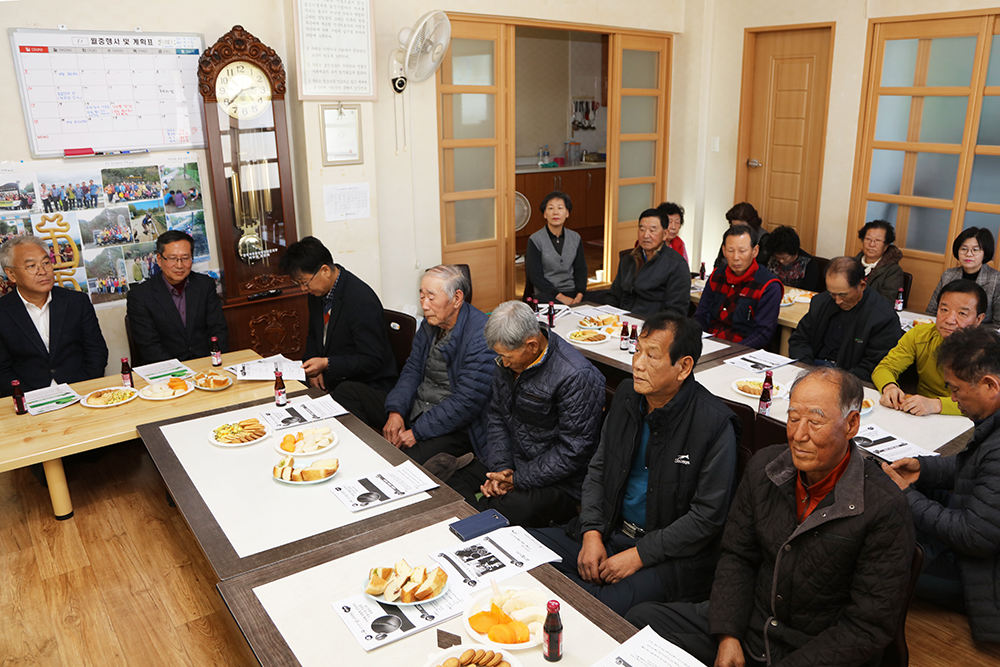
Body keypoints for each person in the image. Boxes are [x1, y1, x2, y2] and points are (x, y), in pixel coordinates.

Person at [627, 367, 915, 667]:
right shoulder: (766, 468)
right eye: (793, 418)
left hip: (812, 649)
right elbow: (738, 555)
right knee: (640, 623)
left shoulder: (885, 508)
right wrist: (728, 636)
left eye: (815, 421)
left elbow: (866, 627)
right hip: (751, 627)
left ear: (851, 424)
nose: (799, 435)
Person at [531, 313, 740, 616]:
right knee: (523, 549)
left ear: (684, 367)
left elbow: (706, 518)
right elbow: (599, 468)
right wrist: (591, 533)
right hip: (609, 532)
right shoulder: (628, 396)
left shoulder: (714, 424)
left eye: (652, 355)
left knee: (594, 608)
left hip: (666, 557)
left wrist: (639, 555)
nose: (638, 363)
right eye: (638, 350)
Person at [881, 326, 1000, 643]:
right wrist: (922, 468)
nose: (952, 398)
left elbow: (975, 537)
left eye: (957, 390)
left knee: (880, 550)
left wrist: (907, 495)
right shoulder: (992, 421)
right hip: (980, 538)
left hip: (984, 578)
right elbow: (971, 466)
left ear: (990, 385)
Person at [446, 301, 605, 527]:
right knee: (450, 477)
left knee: (508, 508)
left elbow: (573, 451)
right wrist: (500, 469)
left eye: (507, 356)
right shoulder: (509, 363)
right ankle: (473, 519)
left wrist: (517, 480)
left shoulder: (576, 376)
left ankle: (471, 525)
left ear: (531, 345)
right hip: (514, 462)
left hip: (560, 481)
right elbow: (498, 416)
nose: (503, 362)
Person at [333, 265, 494, 465]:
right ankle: (364, 455)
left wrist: (417, 432)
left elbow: (465, 402)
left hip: (456, 426)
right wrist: (396, 412)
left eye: (431, 297)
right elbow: (412, 371)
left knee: (405, 464)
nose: (424, 305)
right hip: (418, 409)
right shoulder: (430, 324)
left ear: (457, 298)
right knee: (347, 392)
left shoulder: (480, 336)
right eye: (421, 295)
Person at [279, 236, 396, 394]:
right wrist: (314, 369)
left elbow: (371, 360)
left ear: (325, 271)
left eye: (304, 282)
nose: (302, 288)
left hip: (366, 385)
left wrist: (327, 364)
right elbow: (314, 335)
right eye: (298, 283)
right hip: (334, 378)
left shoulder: (361, 301)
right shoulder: (316, 293)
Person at [0, 235, 108, 396]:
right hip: (28, 398)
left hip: (81, 391)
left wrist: (82, 389)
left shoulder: (76, 302)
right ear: (11, 274)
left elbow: (97, 352)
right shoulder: (3, 312)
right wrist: (33, 398)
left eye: (46, 263)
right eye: (31, 266)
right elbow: (2, 370)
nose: (42, 271)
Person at [873, 279, 987, 416]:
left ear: (978, 319)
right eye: (944, 310)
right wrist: (889, 387)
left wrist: (936, 404)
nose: (950, 320)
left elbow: (984, 402)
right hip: (920, 414)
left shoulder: (986, 351)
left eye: (962, 313)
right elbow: (885, 367)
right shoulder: (920, 335)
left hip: (966, 419)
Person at [788, 256, 901, 382]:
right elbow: (799, 339)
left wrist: (837, 381)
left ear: (862, 286)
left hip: (850, 378)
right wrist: (807, 371)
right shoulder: (821, 302)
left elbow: (874, 365)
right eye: (832, 293)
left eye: (843, 295)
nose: (837, 301)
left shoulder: (882, 317)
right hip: (813, 368)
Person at [126, 230, 228, 363]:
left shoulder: (205, 285)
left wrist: (211, 365)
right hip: (166, 371)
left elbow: (218, 330)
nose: (179, 265)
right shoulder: (140, 296)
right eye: (173, 258)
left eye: (185, 258)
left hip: (206, 365)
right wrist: (180, 373)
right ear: (159, 260)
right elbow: (150, 347)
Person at [694, 225, 783, 348]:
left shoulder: (769, 285)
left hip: (743, 350)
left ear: (755, 251)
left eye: (742, 251)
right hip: (709, 343)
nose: (736, 257)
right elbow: (701, 316)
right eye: (731, 251)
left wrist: (732, 352)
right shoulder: (716, 276)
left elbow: (762, 334)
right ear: (724, 251)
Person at [599, 208, 691, 316]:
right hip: (621, 321)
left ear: (665, 234)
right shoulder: (628, 259)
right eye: (642, 229)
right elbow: (613, 296)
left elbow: (676, 311)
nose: (646, 235)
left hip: (651, 323)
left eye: (652, 230)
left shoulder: (676, 265)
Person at [926, 227, 1000, 328]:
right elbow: (932, 311)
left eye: (975, 250)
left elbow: (998, 324)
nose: (968, 254)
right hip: (946, 330)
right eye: (964, 249)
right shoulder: (948, 275)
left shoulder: (996, 280)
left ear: (985, 253)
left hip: (980, 337)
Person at [524, 191, 587, 305]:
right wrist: (561, 297)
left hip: (572, 291)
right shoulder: (535, 239)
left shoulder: (575, 237)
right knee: (544, 300)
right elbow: (535, 276)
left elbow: (581, 270)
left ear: (567, 213)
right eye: (551, 208)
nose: (555, 212)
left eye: (560, 208)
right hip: (548, 294)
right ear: (544, 214)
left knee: (606, 295)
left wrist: (579, 296)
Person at [855, 219, 904, 304]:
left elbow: (886, 301)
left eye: (877, 240)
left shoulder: (893, 271)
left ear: (886, 246)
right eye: (868, 239)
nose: (871, 244)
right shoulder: (850, 264)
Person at [765, 225, 821, 292]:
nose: (780, 261)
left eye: (784, 258)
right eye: (777, 257)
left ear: (794, 252)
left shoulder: (809, 264)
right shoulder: (769, 258)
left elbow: (809, 291)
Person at [714, 202, 769, 269]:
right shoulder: (730, 235)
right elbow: (719, 262)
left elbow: (761, 269)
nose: (737, 230)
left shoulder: (764, 238)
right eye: (734, 226)